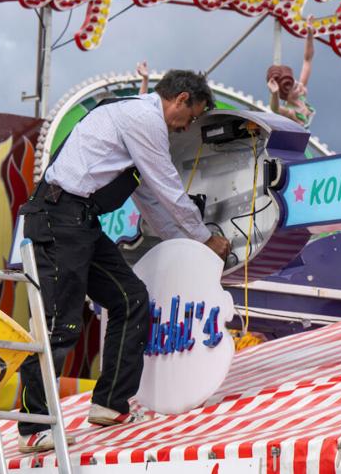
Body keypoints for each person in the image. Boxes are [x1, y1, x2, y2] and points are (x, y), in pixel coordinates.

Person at [15, 70, 232, 453]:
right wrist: (204, 238)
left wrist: (193, 249)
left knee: (130, 299)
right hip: (60, 217)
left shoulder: (137, 127)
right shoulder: (145, 120)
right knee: (60, 323)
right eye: (192, 116)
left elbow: (151, 202)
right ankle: (33, 426)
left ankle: (109, 403)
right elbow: (167, 189)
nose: (188, 127)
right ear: (180, 99)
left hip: (79, 221)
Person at [266, 29, 316, 127]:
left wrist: (310, 35)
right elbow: (275, 108)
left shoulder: (301, 98)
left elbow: (307, 60)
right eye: (296, 88)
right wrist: (275, 93)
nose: (301, 87)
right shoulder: (291, 112)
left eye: (297, 84)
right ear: (288, 96)